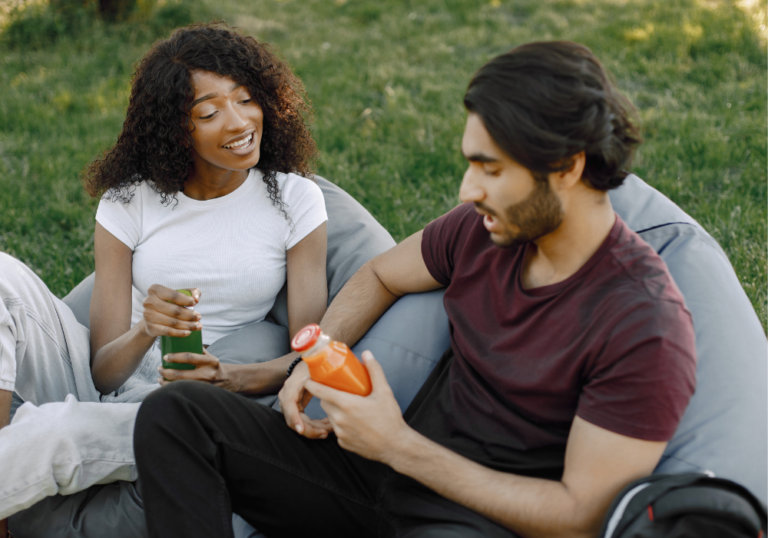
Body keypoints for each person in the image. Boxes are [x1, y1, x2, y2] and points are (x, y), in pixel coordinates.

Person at [134, 41, 698, 538]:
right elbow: (379, 273)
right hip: (378, 478)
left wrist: (398, 445)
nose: (467, 188)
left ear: (568, 168)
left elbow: (581, 518)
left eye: (491, 169)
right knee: (177, 412)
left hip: (476, 518)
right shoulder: (480, 230)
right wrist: (309, 363)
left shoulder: (644, 326)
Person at [0, 22, 327, 535]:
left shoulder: (293, 201)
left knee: (54, 432)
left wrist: (232, 380)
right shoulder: (129, 201)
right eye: (210, 112)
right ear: (179, 129)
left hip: (181, 412)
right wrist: (144, 329)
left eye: (247, 99)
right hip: (101, 382)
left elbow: (311, 353)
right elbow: (103, 374)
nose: (240, 122)